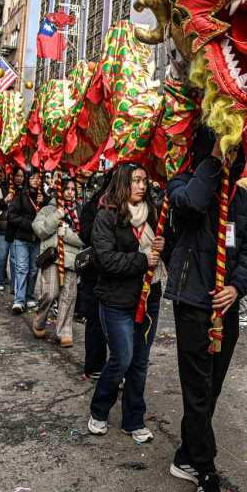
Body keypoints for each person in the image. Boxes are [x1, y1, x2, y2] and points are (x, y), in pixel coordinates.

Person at [164, 130, 247, 492]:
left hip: (226, 307)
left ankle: (187, 455)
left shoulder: (241, 198)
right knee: (198, 391)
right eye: (226, 147)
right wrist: (213, 160)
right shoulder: (182, 183)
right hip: (192, 302)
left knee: (211, 388)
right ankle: (206, 474)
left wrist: (237, 287)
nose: (232, 155)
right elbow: (191, 204)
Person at [87, 164, 164, 445]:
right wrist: (143, 260)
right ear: (122, 183)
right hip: (116, 300)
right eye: (135, 181)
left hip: (148, 297)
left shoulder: (154, 213)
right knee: (122, 358)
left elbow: (166, 247)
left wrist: (163, 245)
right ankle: (99, 409)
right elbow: (105, 259)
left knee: (139, 363)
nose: (142, 186)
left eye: (144, 181)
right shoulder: (106, 215)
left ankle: (134, 419)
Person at [32, 177, 82, 346]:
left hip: (72, 259)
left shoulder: (79, 211)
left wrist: (66, 234)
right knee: (50, 293)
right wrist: (57, 216)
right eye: (67, 189)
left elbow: (83, 238)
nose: (70, 192)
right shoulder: (47, 209)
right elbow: (40, 230)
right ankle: (39, 320)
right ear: (59, 191)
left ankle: (64, 332)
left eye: (73, 189)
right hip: (53, 258)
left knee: (68, 296)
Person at [78, 173, 111, 379]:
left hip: (118, 276)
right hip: (94, 273)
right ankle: (94, 364)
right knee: (95, 320)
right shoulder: (93, 207)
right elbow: (86, 234)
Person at [6, 169, 43, 314]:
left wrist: (44, 201)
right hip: (21, 238)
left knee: (33, 269)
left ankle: (29, 296)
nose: (35, 180)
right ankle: (19, 300)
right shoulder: (20, 195)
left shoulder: (43, 196)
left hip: (36, 239)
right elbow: (12, 216)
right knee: (22, 268)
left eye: (38, 178)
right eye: (33, 178)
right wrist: (30, 224)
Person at [0, 169, 15, 291]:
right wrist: (5, 201)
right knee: (1, 257)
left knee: (15, 261)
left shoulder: (22, 191)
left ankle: (15, 285)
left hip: (16, 230)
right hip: (2, 230)